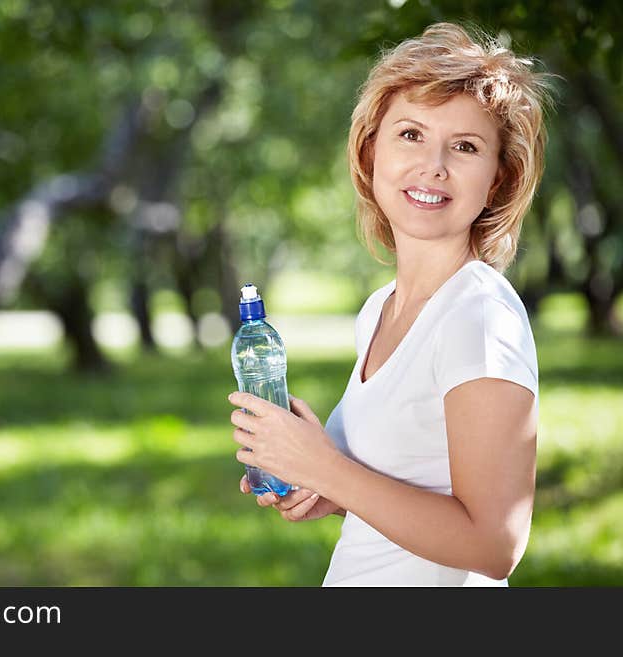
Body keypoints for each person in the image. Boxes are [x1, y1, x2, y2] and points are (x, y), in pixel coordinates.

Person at [228, 22, 555, 586]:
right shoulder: (380, 309)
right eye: (410, 134)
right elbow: (410, 489)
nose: (434, 165)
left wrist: (325, 466)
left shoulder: (478, 317)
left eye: (466, 146)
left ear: (498, 179)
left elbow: (495, 543)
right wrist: (326, 489)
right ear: (370, 147)